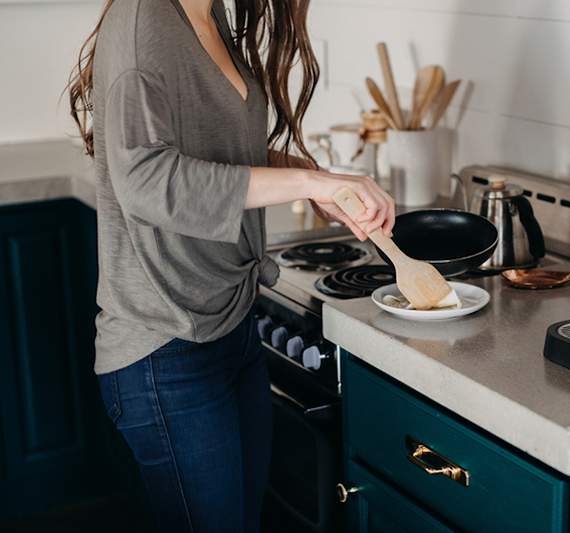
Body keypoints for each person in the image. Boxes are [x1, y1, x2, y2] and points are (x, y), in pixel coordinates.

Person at [67, 0, 394, 530]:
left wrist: (313, 176)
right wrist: (309, 183)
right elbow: (146, 180)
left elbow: (219, 148)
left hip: (232, 330)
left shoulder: (210, 12)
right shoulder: (143, 15)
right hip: (165, 348)